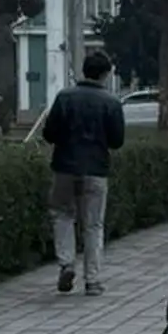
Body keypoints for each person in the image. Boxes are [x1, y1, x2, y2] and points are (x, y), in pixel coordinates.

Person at [42, 49, 125, 294]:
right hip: (96, 169)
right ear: (106, 74)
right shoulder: (111, 102)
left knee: (62, 214)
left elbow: (49, 133)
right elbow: (117, 140)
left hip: (64, 167)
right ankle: (93, 280)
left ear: (84, 71)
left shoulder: (64, 97)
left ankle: (66, 263)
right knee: (93, 224)